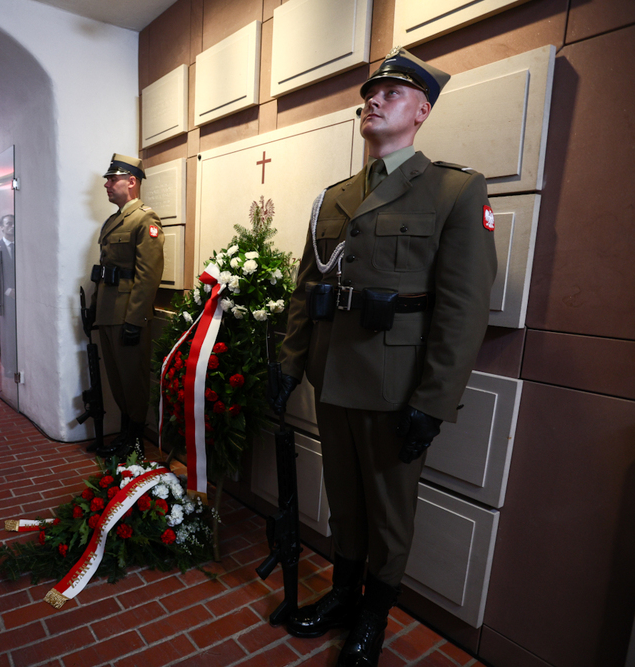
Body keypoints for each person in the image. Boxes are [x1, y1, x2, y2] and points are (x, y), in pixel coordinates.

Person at [271, 48, 497, 666]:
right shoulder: (335, 196)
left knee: (389, 512)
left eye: (391, 94)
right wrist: (291, 363)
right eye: (371, 93)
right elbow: (308, 288)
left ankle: (374, 615)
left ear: (422, 110)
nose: (372, 101)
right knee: (344, 499)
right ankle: (344, 596)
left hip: (398, 387)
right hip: (333, 375)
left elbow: (463, 309)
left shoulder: (453, 190)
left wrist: (434, 400)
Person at [87, 154, 164, 459]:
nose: (106, 184)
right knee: (118, 380)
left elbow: (149, 275)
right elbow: (104, 269)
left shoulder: (145, 219)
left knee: (132, 380)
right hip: (108, 312)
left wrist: (136, 319)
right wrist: (94, 308)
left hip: (127, 315)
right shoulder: (113, 220)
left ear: (131, 182)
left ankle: (134, 442)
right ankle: (125, 436)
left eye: (112, 179)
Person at [0, 214, 16, 376]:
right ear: (1, 227)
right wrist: (9, 290)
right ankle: (7, 366)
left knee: (17, 331)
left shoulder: (21, 246)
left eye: (14, 224)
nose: (12, 226)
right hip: (6, 295)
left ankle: (17, 363)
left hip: (21, 295)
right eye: (8, 224)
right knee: (6, 333)